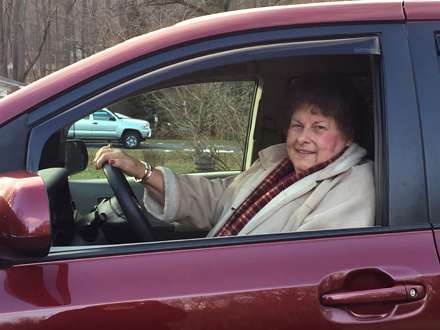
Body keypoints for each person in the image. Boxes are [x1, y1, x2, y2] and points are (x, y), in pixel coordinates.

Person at [93, 74, 375, 237]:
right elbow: (216, 200)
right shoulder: (279, 165)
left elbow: (306, 272)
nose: (303, 137)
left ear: (349, 136)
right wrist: (141, 170)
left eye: (319, 127)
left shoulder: (354, 186)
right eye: (297, 125)